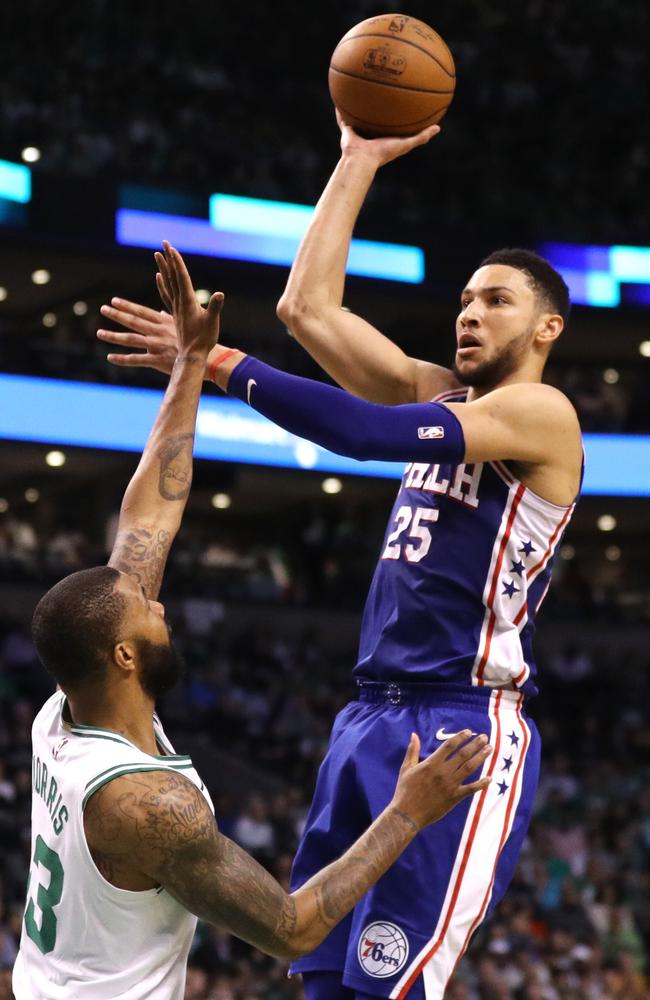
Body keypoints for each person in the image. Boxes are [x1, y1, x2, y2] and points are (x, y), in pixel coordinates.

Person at [97, 115, 583, 999]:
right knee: (321, 969)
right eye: (466, 299)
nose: (470, 313)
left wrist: (220, 363)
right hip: (368, 720)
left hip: (461, 724)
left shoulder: (543, 419)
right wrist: (356, 158)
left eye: (497, 301)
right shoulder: (442, 390)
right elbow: (306, 310)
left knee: (393, 987)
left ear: (548, 327)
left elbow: (363, 434)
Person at [14, 244, 492, 1000]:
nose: (159, 602)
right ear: (124, 657)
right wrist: (408, 813)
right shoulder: (150, 806)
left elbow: (150, 516)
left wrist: (189, 367)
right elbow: (294, 928)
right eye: (149, 611)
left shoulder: (64, 713)